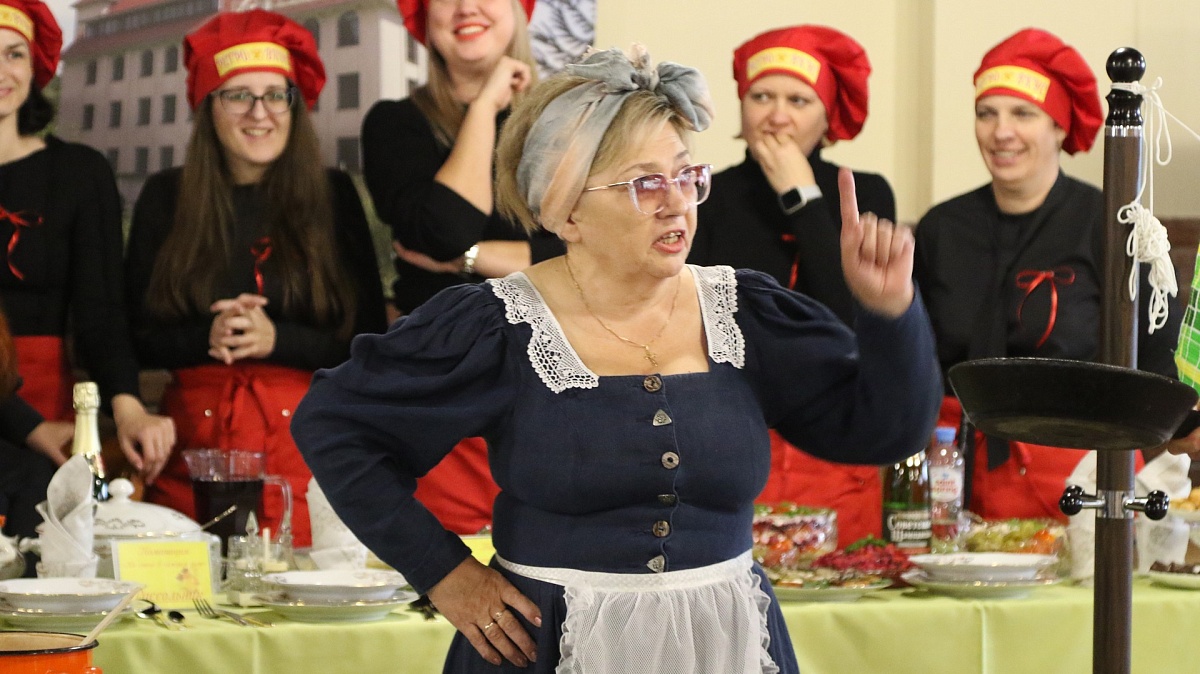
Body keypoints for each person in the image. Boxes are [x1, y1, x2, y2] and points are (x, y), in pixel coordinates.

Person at [293, 46, 942, 672]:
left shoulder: (743, 313)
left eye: (686, 175)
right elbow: (335, 425)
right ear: (566, 211)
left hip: (726, 643)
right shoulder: (499, 327)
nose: (677, 201)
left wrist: (891, 312)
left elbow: (885, 430)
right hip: (547, 647)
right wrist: (444, 573)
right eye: (645, 184)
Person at [125, 10, 386, 548]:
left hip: (309, 451)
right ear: (209, 106)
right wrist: (206, 337)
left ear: (295, 104)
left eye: (275, 95)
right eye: (239, 95)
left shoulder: (335, 196)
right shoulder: (165, 196)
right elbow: (135, 336)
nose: (259, 112)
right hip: (191, 447)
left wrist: (277, 340)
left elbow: (368, 341)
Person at [914, 28, 1180, 521]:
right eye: (986, 113)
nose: (1001, 132)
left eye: (1023, 113)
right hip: (955, 473)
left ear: (1060, 127)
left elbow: (1161, 351)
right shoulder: (941, 228)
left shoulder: (1110, 223)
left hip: (1082, 472)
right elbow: (915, 358)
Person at [361, 0, 561, 535]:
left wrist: (472, 258)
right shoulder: (394, 124)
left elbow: (593, 257)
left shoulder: (566, 123)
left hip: (555, 384)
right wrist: (486, 104)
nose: (466, 7)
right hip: (437, 389)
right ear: (424, 18)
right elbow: (446, 228)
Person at [688, 25, 894, 546]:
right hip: (730, 438)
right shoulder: (704, 195)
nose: (776, 115)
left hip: (836, 439)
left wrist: (802, 196)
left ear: (828, 117)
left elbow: (853, 319)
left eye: (798, 101)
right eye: (762, 97)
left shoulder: (865, 193)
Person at [0, 0, 175, 543]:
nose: (1, 71)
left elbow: (101, 313)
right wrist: (26, 425)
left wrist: (127, 406)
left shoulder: (78, 172)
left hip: (50, 408)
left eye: (14, 54)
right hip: (29, 421)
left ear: (36, 66)